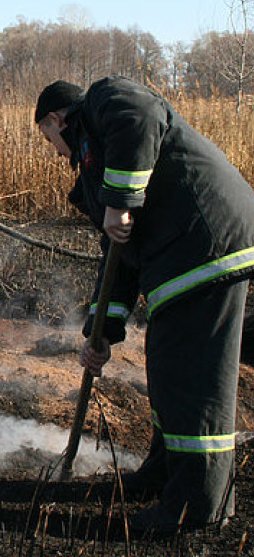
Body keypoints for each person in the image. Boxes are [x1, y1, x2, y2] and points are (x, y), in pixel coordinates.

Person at [34, 76, 254, 533]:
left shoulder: (105, 101)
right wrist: (100, 334)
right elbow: (119, 262)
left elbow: (142, 114)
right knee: (168, 370)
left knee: (193, 380)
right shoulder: (97, 168)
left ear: (56, 119)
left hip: (206, 245)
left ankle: (199, 505)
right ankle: (164, 472)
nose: (54, 151)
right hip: (183, 257)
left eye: (47, 138)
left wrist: (121, 200)